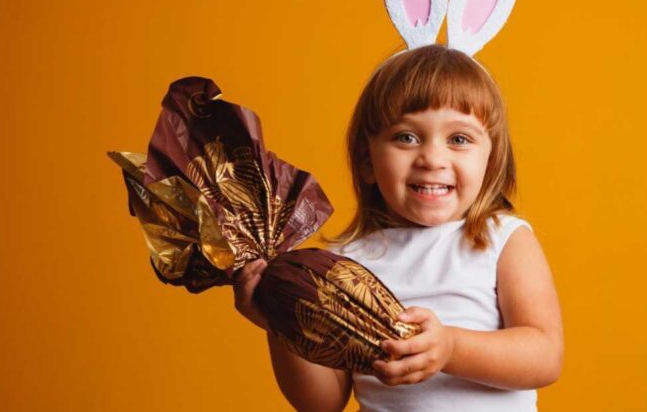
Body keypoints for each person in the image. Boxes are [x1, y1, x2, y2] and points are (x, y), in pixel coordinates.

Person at [233, 44, 564, 411]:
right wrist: (280, 326)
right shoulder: (343, 264)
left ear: (491, 160)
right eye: (406, 137)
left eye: (459, 139)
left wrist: (451, 348)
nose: (433, 159)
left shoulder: (503, 239)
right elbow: (323, 403)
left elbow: (544, 355)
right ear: (367, 162)